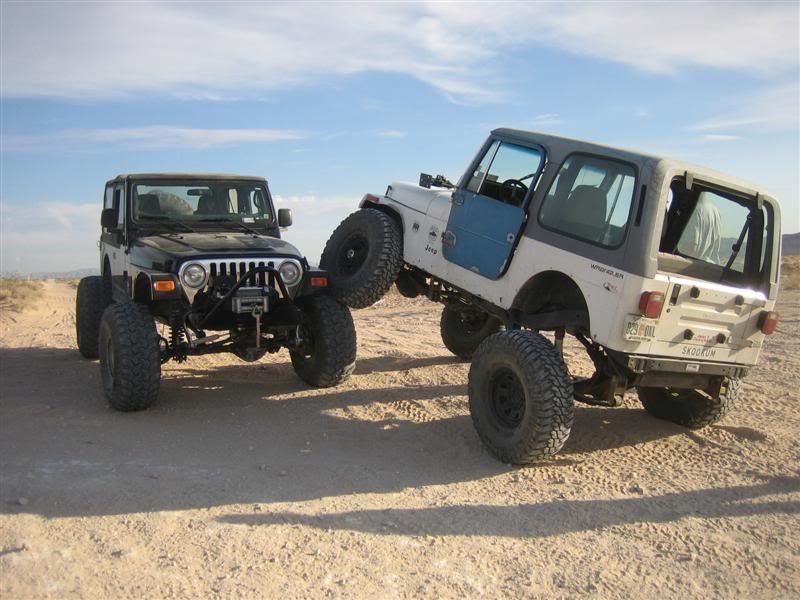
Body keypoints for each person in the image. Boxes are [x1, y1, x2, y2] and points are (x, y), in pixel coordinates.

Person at [680, 191, 722, 264]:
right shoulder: (715, 211)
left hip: (690, 266)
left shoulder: (695, 209)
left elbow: (691, 245)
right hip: (706, 265)